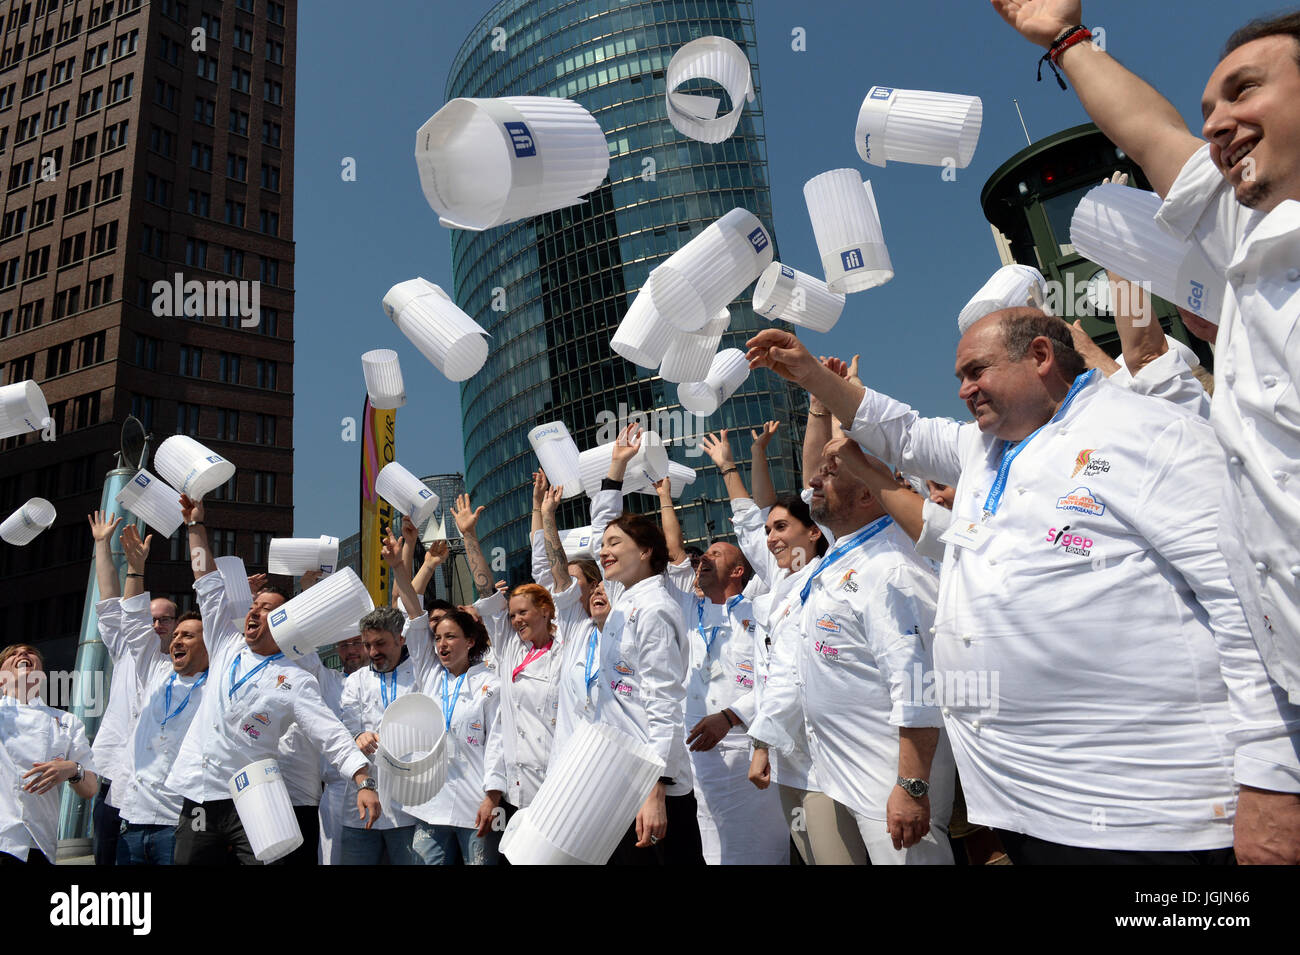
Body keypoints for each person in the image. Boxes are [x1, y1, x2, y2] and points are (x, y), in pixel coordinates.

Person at [747, 315, 1300, 863]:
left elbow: (1245, 607)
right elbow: (904, 432)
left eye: (975, 371)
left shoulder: (1148, 433)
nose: (962, 390)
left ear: (1040, 356)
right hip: (1027, 809)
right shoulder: (982, 450)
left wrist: (1272, 775)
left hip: (1151, 813)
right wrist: (811, 375)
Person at [991, 0, 1300, 861]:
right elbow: (1153, 131)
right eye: (1209, 111)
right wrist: (1066, 41)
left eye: (1245, 90)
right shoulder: (1249, 255)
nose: (1217, 124)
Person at [744, 432, 956, 865]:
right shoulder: (842, 562)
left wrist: (911, 786)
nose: (814, 484)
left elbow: (918, 686)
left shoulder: (888, 568)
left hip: (891, 788)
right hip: (842, 778)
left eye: (830, 474)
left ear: (866, 493)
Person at [166, 495, 379, 865]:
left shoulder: (296, 678)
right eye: (254, 606)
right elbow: (206, 582)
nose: (254, 611)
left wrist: (363, 780)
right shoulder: (225, 642)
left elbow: (329, 734)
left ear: (283, 622)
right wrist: (195, 526)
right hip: (201, 793)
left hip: (254, 799)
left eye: (267, 609)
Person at [583, 425, 701, 865]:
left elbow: (663, 703)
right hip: (621, 777)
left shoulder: (654, 608)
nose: (604, 551)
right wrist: (616, 466)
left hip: (656, 787)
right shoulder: (622, 597)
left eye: (616, 544)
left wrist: (656, 790)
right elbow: (601, 525)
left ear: (647, 551)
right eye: (604, 546)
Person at [88, 513, 178, 867]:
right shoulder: (126, 648)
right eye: (150, 618)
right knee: (107, 858)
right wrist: (101, 545)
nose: (156, 624)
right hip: (113, 772)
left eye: (165, 619)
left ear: (176, 623)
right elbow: (110, 598)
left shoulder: (184, 669)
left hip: (159, 782)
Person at [405, 606, 506, 865]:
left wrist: (492, 798)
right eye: (437, 638)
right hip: (430, 806)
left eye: (450, 637)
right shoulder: (431, 677)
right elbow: (415, 620)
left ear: (470, 641)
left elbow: (498, 743)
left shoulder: (491, 684)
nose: (441, 644)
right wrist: (400, 567)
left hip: (477, 806)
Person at [338, 598, 426, 865]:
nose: (373, 651)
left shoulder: (421, 675)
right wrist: (357, 736)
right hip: (361, 806)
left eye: (380, 643)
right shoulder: (355, 681)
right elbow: (346, 729)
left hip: (409, 807)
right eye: (367, 645)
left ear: (400, 639)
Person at [0, 643, 98, 864]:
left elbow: (90, 788)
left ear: (42, 675)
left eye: (29, 652)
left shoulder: (67, 721)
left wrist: (72, 769)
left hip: (40, 844)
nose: (23, 654)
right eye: (13, 655)